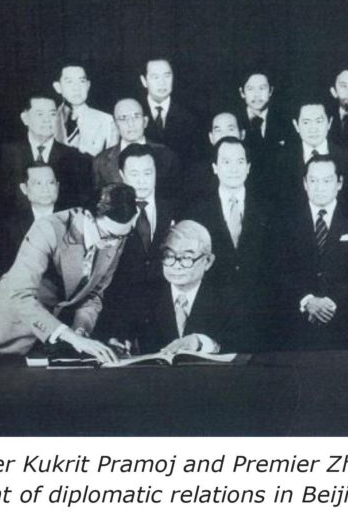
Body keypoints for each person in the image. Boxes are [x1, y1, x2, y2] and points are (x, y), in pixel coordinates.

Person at [0, 183, 139, 360]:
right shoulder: (48, 228)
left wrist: (80, 330)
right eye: (109, 235)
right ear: (89, 216)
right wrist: (72, 337)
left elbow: (94, 293)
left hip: (50, 341)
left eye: (124, 235)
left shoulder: (116, 234)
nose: (114, 244)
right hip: (5, 335)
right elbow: (20, 295)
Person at [184, 137, 272, 352]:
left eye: (240, 161)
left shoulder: (268, 207)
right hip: (213, 315)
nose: (234, 168)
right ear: (215, 167)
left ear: (248, 167)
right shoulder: (196, 210)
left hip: (262, 314)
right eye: (226, 162)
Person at [95, 144, 183, 347]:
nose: (142, 181)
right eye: (134, 174)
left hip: (165, 318)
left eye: (148, 173)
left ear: (156, 172)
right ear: (121, 175)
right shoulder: (109, 215)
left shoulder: (174, 208)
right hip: (120, 319)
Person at [280, 155, 348, 349]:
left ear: (339, 183)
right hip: (296, 324)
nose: (319, 187)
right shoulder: (286, 221)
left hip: (343, 321)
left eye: (327, 181)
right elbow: (280, 270)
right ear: (305, 183)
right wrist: (307, 300)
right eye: (313, 181)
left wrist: (331, 302)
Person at [138, 220, 226, 355]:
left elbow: (240, 342)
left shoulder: (226, 298)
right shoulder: (145, 295)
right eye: (169, 256)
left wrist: (199, 342)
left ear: (208, 261)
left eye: (187, 257)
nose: (176, 265)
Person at [0, 93, 92, 216]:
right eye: (40, 114)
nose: (47, 120)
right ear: (25, 118)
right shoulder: (5, 155)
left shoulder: (76, 158)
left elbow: (79, 204)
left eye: (52, 114)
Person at [270, 100, 348, 212]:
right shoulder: (281, 160)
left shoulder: (347, 158)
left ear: (329, 123)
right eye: (306, 122)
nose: (313, 129)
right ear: (296, 125)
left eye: (319, 121)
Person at [92, 98, 182, 199]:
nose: (130, 124)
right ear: (116, 124)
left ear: (145, 121)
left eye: (136, 116)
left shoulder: (166, 155)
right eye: (123, 118)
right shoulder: (100, 162)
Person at [0, 162, 59, 269]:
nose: (45, 189)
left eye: (50, 183)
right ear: (24, 188)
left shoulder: (75, 220)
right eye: (38, 183)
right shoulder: (9, 226)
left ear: (57, 186)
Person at [52, 61, 118, 156]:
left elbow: (112, 159)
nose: (77, 88)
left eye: (81, 81)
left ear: (88, 85)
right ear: (57, 87)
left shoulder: (106, 121)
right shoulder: (50, 119)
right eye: (69, 81)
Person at [140, 57, 200, 159]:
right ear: (144, 81)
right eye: (155, 77)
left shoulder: (190, 114)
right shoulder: (135, 111)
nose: (162, 82)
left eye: (167, 76)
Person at [239, 70, 289, 165]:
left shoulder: (284, 121)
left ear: (270, 91)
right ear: (242, 92)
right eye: (250, 89)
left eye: (262, 88)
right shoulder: (234, 121)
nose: (256, 95)